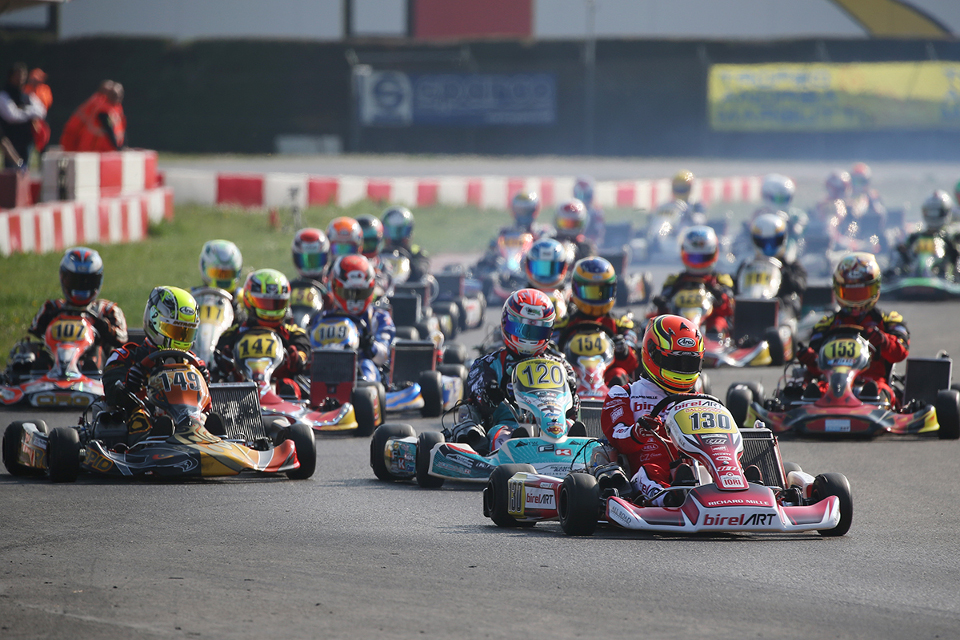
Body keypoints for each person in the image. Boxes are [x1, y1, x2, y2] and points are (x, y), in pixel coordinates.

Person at [451, 288, 579, 455]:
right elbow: (478, 399)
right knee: (501, 435)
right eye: (522, 329)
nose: (529, 338)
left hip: (553, 427)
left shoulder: (560, 365)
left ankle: (577, 451)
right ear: (506, 323)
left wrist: (569, 389)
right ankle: (512, 451)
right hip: (507, 424)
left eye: (536, 332)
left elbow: (572, 408)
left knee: (571, 427)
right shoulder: (488, 365)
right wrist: (490, 393)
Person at [598, 314, 707, 506]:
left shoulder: (700, 400)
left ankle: (742, 489)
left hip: (697, 468)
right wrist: (637, 432)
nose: (682, 370)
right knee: (648, 472)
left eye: (689, 364)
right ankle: (670, 499)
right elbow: (617, 435)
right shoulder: (624, 394)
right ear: (653, 355)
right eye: (675, 363)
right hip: (646, 473)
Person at [796, 252, 908, 403]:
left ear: (875, 289)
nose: (855, 302)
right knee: (813, 391)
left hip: (873, 381)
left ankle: (872, 407)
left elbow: (901, 353)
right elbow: (817, 366)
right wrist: (810, 359)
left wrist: (883, 340)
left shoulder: (888, 320)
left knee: (878, 393)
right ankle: (812, 410)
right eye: (850, 293)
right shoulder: (827, 324)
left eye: (861, 293)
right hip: (832, 383)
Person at [102, 286, 206, 443]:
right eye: (174, 331)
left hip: (190, 421)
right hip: (144, 421)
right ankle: (150, 445)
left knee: (211, 420)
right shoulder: (126, 357)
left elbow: (206, 403)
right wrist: (129, 384)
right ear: (154, 322)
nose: (180, 339)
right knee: (140, 418)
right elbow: (111, 392)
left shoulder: (193, 362)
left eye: (186, 333)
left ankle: (219, 445)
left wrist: (205, 381)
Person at [7, 247, 127, 377]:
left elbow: (122, 338)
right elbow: (36, 329)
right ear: (64, 278)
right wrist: (50, 319)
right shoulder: (52, 308)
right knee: (33, 352)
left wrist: (102, 326)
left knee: (96, 353)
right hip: (54, 361)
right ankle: (30, 380)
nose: (81, 286)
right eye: (75, 281)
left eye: (87, 282)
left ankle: (93, 378)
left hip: (92, 367)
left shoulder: (106, 310)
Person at [215, 269, 311, 389]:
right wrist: (226, 360)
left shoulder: (294, 334)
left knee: (290, 386)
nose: (270, 310)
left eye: (276, 304)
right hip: (241, 392)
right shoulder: (233, 334)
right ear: (248, 300)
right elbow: (217, 360)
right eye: (265, 303)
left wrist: (296, 359)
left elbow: (304, 355)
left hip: (282, 394)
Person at [553, 257, 639, 386]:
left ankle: (618, 404)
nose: (595, 298)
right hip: (572, 381)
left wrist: (623, 351)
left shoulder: (620, 325)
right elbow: (550, 354)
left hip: (607, 384)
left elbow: (632, 366)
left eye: (601, 292)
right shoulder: (563, 325)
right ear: (576, 289)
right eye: (589, 291)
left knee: (619, 373)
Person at [312, 254, 395, 383]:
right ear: (335, 288)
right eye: (348, 293)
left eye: (361, 293)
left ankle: (365, 389)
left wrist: (369, 345)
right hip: (325, 368)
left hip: (363, 371)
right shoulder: (322, 318)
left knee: (366, 365)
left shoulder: (379, 318)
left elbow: (383, 356)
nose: (355, 300)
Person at [652, 226, 734, 335]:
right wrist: (662, 303)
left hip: (709, 326)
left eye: (703, 257)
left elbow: (729, 309)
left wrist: (719, 295)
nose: (698, 262)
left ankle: (714, 341)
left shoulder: (721, 280)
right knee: (652, 321)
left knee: (719, 322)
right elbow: (662, 311)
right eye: (693, 258)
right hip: (677, 327)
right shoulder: (675, 280)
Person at [735, 213, 807, 317]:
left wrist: (786, 275)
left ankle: (786, 327)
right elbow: (736, 287)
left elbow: (801, 285)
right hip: (750, 306)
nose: (768, 247)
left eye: (773, 242)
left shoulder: (790, 264)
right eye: (763, 242)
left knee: (790, 300)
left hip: (780, 310)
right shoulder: (747, 265)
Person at [889, 190, 960, 277]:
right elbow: (903, 253)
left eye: (937, 212)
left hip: (945, 276)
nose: (934, 215)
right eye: (931, 211)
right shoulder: (915, 237)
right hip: (913, 274)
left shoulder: (950, 237)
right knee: (897, 249)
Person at [0, 62, 46, 168]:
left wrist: (23, 110)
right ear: (11, 76)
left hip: (27, 141)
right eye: (18, 75)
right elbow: (12, 116)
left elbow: (41, 111)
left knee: (25, 172)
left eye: (23, 75)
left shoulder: (27, 95)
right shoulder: (4, 95)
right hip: (11, 140)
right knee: (12, 173)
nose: (21, 78)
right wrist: (30, 112)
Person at [60, 80, 126, 152]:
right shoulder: (103, 108)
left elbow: (119, 128)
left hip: (95, 146)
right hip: (94, 146)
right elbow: (109, 127)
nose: (118, 98)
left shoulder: (113, 107)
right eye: (115, 95)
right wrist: (118, 147)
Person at [193, 239, 244, 318]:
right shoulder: (191, 296)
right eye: (217, 273)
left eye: (228, 274)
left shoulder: (244, 299)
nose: (223, 279)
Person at [523, 237, 571, 319]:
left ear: (564, 266)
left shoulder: (569, 296)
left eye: (552, 268)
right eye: (540, 267)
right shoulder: (521, 296)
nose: (546, 276)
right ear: (528, 265)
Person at [382, 206, 431, 283]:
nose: (396, 239)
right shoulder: (380, 255)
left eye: (400, 231)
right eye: (391, 231)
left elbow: (421, 272)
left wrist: (407, 258)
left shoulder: (418, 253)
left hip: (410, 291)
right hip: (384, 291)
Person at [554, 199, 596, 264]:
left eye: (573, 224)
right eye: (565, 223)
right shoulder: (551, 242)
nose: (568, 228)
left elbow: (590, 265)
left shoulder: (585, 246)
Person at [574, 176, 606, 246]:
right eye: (580, 195)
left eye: (585, 196)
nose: (583, 199)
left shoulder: (596, 212)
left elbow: (598, 233)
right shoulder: (571, 210)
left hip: (591, 243)